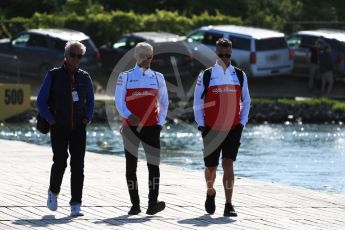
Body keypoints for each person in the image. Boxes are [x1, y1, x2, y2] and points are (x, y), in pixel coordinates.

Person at [193, 38, 250, 217]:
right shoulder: (206, 75)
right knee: (211, 167)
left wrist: (242, 123)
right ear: (215, 54)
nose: (224, 58)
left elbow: (246, 101)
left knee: (228, 164)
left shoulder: (240, 75)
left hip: (233, 128)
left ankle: (229, 204)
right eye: (220, 55)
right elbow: (197, 102)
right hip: (211, 128)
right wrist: (202, 126)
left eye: (227, 55)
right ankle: (210, 191)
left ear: (231, 54)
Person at [37, 41, 94, 217]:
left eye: (79, 56)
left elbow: (90, 101)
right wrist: (51, 120)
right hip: (59, 127)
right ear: (66, 55)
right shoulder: (53, 75)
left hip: (78, 127)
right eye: (73, 55)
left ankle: (76, 204)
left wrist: (87, 118)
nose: (76, 59)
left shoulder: (85, 77)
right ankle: (53, 192)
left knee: (78, 165)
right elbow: (40, 101)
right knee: (60, 161)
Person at [115, 42, 169, 215]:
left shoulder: (158, 77)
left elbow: (164, 102)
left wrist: (159, 123)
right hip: (130, 128)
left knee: (154, 166)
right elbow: (119, 100)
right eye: (145, 56)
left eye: (150, 56)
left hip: (152, 127)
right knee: (131, 167)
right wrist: (127, 114)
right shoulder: (125, 76)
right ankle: (135, 204)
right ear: (137, 57)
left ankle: (152, 203)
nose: (148, 60)